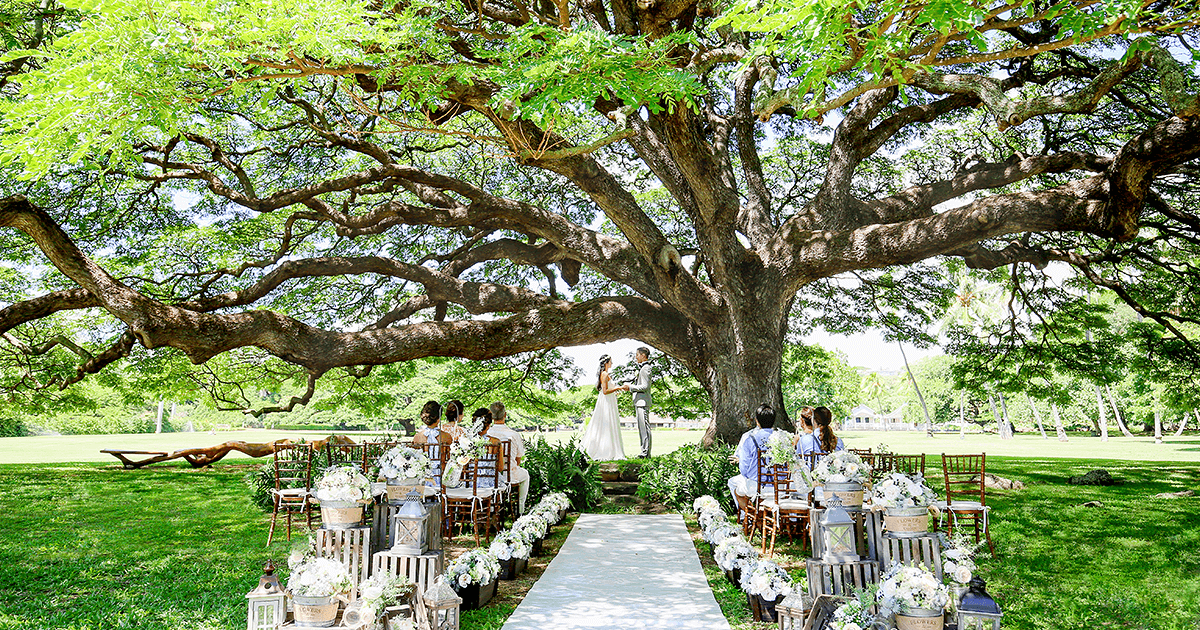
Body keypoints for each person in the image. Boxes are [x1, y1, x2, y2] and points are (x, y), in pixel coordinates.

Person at [727, 403, 777, 523]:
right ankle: (760, 516)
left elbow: (743, 469)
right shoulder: (782, 438)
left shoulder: (750, 439)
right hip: (780, 487)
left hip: (757, 486)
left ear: (756, 421)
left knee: (735, 486)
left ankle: (752, 517)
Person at [580, 354, 628, 461]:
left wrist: (615, 392)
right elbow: (605, 391)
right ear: (606, 363)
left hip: (609, 400)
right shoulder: (605, 374)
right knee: (607, 423)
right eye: (611, 361)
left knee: (610, 423)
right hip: (606, 401)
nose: (612, 363)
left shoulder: (605, 374)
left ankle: (611, 448)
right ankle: (606, 451)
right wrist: (618, 388)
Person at [487, 401, 531, 514]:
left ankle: (491, 508)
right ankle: (520, 509)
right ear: (505, 415)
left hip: (490, 475)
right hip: (509, 475)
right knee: (525, 474)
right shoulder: (514, 435)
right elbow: (518, 459)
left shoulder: (487, 434)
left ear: (491, 416)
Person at [412, 400, 451, 485]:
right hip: (441, 476)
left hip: (422, 476)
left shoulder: (417, 437)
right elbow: (450, 459)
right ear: (439, 418)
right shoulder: (447, 437)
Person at [468, 408, 506, 488]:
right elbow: (500, 468)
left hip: (469, 483)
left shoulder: (466, 441)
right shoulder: (495, 442)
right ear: (488, 425)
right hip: (491, 483)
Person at [627, 347, 654, 458]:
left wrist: (630, 387)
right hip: (640, 402)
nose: (636, 357)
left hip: (642, 402)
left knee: (644, 429)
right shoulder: (643, 368)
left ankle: (645, 453)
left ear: (643, 355)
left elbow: (645, 386)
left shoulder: (646, 368)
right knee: (642, 428)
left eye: (637, 354)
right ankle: (644, 451)